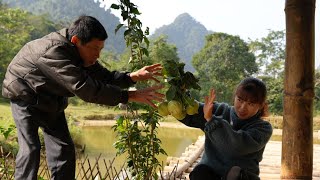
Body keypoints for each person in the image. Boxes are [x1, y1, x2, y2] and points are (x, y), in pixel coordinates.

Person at [2, 15, 164, 180]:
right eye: (95, 48)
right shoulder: (54, 52)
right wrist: (129, 96)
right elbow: (86, 89)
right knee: (31, 149)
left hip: (51, 97)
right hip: (25, 94)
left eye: (100, 49)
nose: (98, 55)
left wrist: (132, 77)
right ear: (76, 40)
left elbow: (104, 77)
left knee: (64, 149)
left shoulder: (80, 53)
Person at [178, 77, 273, 180]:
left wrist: (211, 120)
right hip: (211, 173)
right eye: (240, 100)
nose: (242, 107)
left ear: (261, 105)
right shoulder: (219, 110)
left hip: (241, 176)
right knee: (200, 172)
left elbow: (235, 147)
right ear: (235, 97)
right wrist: (179, 91)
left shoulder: (263, 129)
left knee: (235, 174)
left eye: (250, 104)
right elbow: (188, 114)